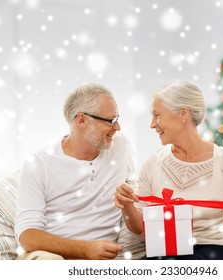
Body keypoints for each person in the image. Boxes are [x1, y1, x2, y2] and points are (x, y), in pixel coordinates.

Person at [115, 80, 223, 260]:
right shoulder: (152, 164)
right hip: (166, 252)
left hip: (214, 252)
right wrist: (126, 205)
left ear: (183, 114)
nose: (152, 124)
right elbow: (139, 229)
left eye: (157, 115)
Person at [15, 83, 136, 260]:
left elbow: (136, 195)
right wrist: (85, 249)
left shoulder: (121, 147)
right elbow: (28, 235)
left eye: (117, 118)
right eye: (110, 121)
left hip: (101, 259)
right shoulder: (39, 164)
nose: (117, 127)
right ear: (81, 120)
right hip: (50, 256)